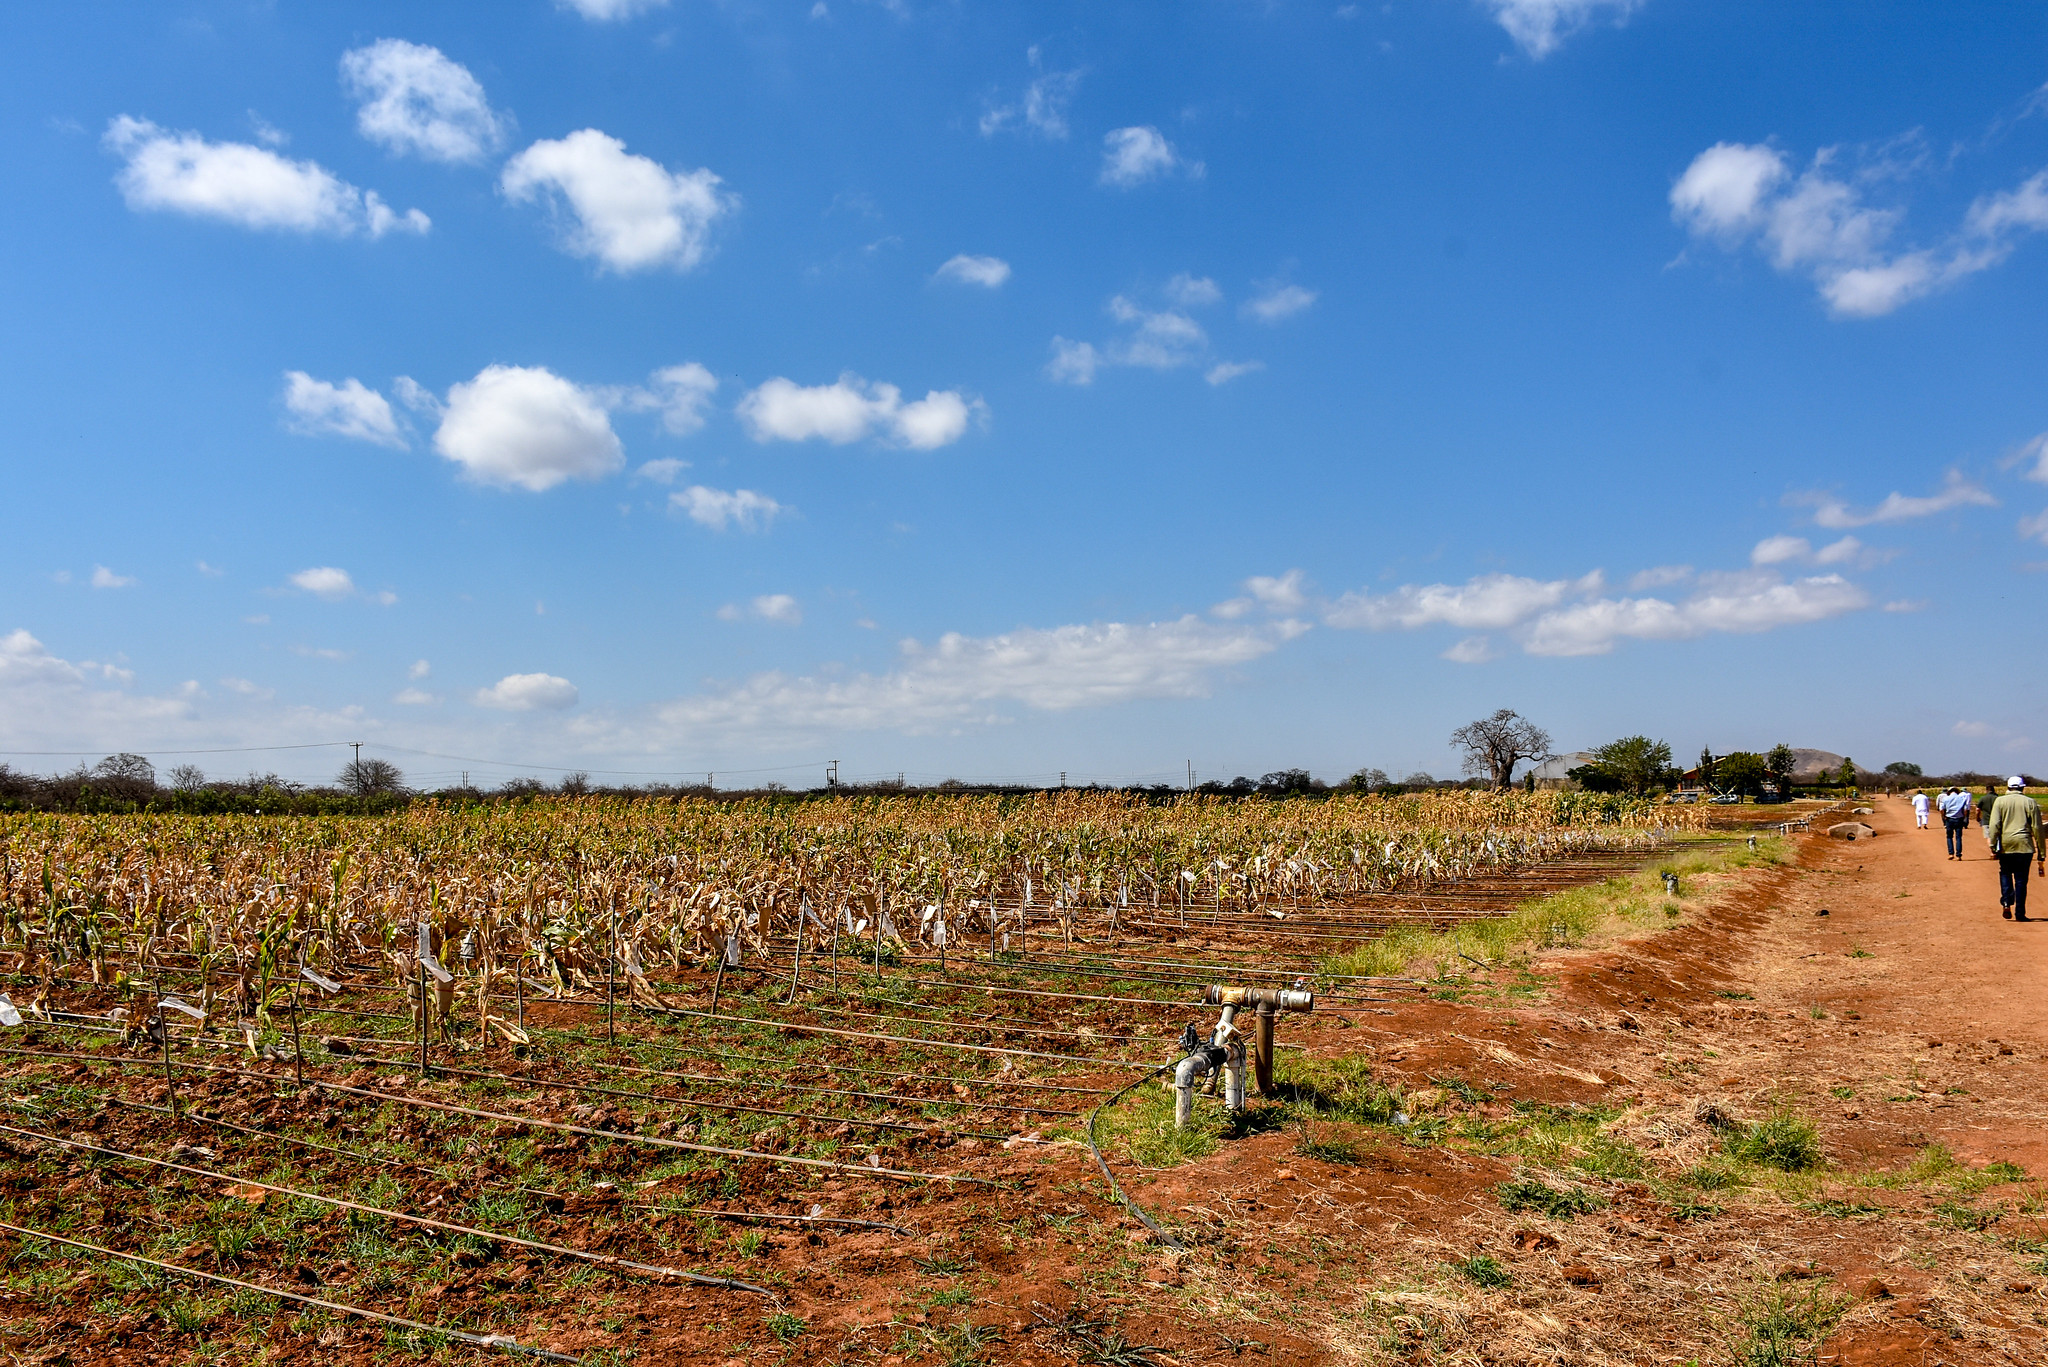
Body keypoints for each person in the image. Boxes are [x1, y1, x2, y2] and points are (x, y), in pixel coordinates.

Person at [1986, 776, 2045, 921]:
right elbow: (2037, 828)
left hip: (2006, 844)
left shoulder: (1999, 801)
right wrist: (2042, 852)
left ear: (2008, 787)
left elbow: (1994, 825)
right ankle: (2020, 913)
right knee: (2021, 879)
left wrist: (1993, 845)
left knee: (2005, 873)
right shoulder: (2030, 802)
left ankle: (2006, 902)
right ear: (2022, 788)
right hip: (2024, 845)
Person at [1938, 785, 1973, 860]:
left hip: (1949, 819)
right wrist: (1964, 817)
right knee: (1958, 837)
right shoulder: (1962, 798)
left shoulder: (1946, 798)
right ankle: (1959, 855)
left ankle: (1951, 854)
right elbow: (1966, 809)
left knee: (1949, 837)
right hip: (1959, 819)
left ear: (1949, 792)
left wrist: (1944, 816)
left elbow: (1941, 809)